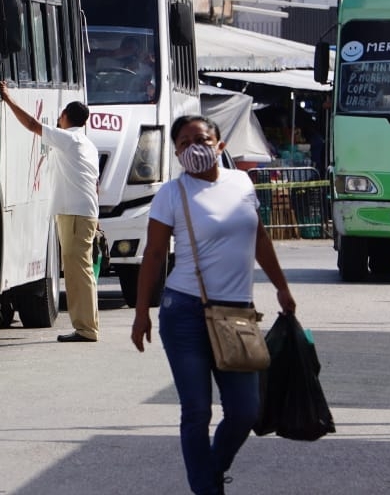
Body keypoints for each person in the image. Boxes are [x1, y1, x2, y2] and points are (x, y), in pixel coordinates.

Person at [130, 115, 297, 495]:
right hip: (185, 312)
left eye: (201, 139)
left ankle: (210, 473)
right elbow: (154, 255)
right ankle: (207, 489)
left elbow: (259, 238)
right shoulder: (171, 194)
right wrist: (142, 313)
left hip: (237, 314)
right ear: (175, 152)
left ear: (220, 145)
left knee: (244, 411)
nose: (194, 148)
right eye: (184, 143)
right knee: (197, 411)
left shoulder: (241, 182)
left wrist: (282, 288)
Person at [0, 81, 101, 343]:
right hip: (83, 213)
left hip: (75, 215)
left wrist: (8, 100)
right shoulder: (86, 143)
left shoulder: (69, 139)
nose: (58, 119)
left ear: (66, 117)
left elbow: (33, 126)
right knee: (81, 271)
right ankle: (86, 326)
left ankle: (86, 329)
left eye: (61, 115)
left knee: (79, 272)